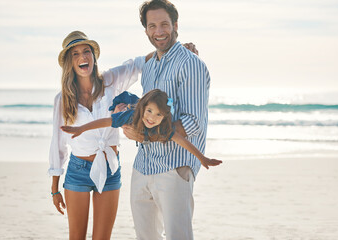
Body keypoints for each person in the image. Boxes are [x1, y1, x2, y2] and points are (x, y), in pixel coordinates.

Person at [48, 30, 198, 239]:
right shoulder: (62, 99)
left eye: (86, 51)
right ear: (69, 63)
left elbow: (138, 64)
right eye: (75, 54)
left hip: (110, 168)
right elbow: (58, 145)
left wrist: (177, 51)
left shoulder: (110, 80)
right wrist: (55, 188)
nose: (83, 57)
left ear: (93, 56)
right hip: (78, 170)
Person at [122, 0, 212, 239]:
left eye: (164, 24)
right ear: (146, 30)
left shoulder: (191, 64)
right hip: (143, 165)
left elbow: (193, 122)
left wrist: (145, 134)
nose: (159, 31)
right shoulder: (149, 67)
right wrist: (130, 123)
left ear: (175, 25)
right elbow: (150, 113)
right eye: (152, 26)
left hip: (174, 167)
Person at [60, 89, 222, 169]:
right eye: (150, 111)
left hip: (144, 108)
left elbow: (182, 141)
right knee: (129, 104)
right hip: (131, 104)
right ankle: (135, 104)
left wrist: (202, 158)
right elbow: (105, 121)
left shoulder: (163, 128)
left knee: (159, 108)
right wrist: (81, 128)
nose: (152, 118)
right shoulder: (130, 116)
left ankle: (151, 107)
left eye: (158, 115)